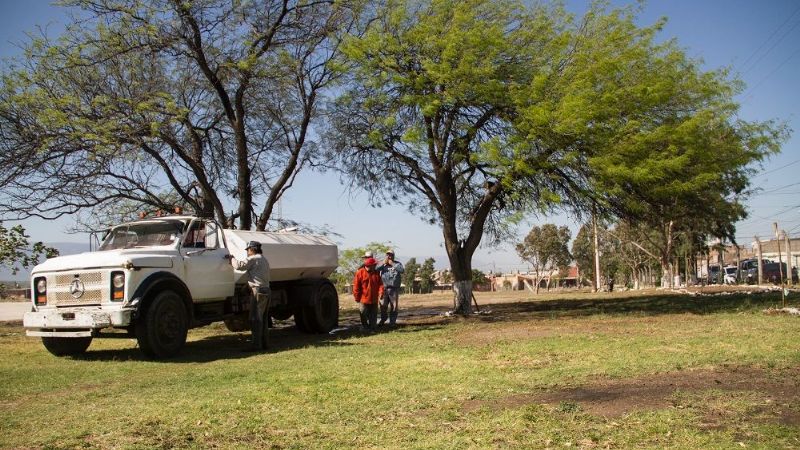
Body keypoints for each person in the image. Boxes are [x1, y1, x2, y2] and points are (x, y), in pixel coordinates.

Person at [232, 240, 271, 351]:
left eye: (248, 250)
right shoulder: (264, 259)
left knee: (255, 319)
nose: (247, 252)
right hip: (266, 290)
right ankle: (265, 344)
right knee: (262, 319)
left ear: (252, 249)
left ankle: (256, 345)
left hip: (258, 292)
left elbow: (239, 266)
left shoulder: (253, 258)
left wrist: (231, 258)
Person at [352, 257, 383, 331]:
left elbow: (380, 284)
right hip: (363, 299)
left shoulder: (376, 273)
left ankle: (373, 328)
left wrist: (381, 292)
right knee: (363, 314)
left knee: (373, 315)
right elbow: (356, 287)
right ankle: (365, 327)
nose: (375, 266)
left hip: (374, 299)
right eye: (374, 265)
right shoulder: (360, 273)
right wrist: (357, 298)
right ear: (369, 265)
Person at [377, 249, 404, 326]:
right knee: (383, 305)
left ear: (393, 256)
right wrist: (383, 263)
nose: (389, 256)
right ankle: (383, 319)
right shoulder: (383, 264)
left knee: (394, 306)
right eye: (388, 255)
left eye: (391, 255)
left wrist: (392, 264)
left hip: (394, 289)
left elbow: (402, 270)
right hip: (384, 288)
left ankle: (392, 322)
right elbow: (376, 269)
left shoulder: (397, 263)